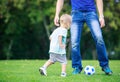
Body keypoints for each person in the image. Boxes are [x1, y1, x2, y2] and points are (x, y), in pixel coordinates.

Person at [54, 0, 112, 75]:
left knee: (99, 38)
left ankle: (105, 66)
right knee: (74, 42)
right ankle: (77, 67)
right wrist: (56, 14)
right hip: (76, 13)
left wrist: (101, 16)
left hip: (91, 12)